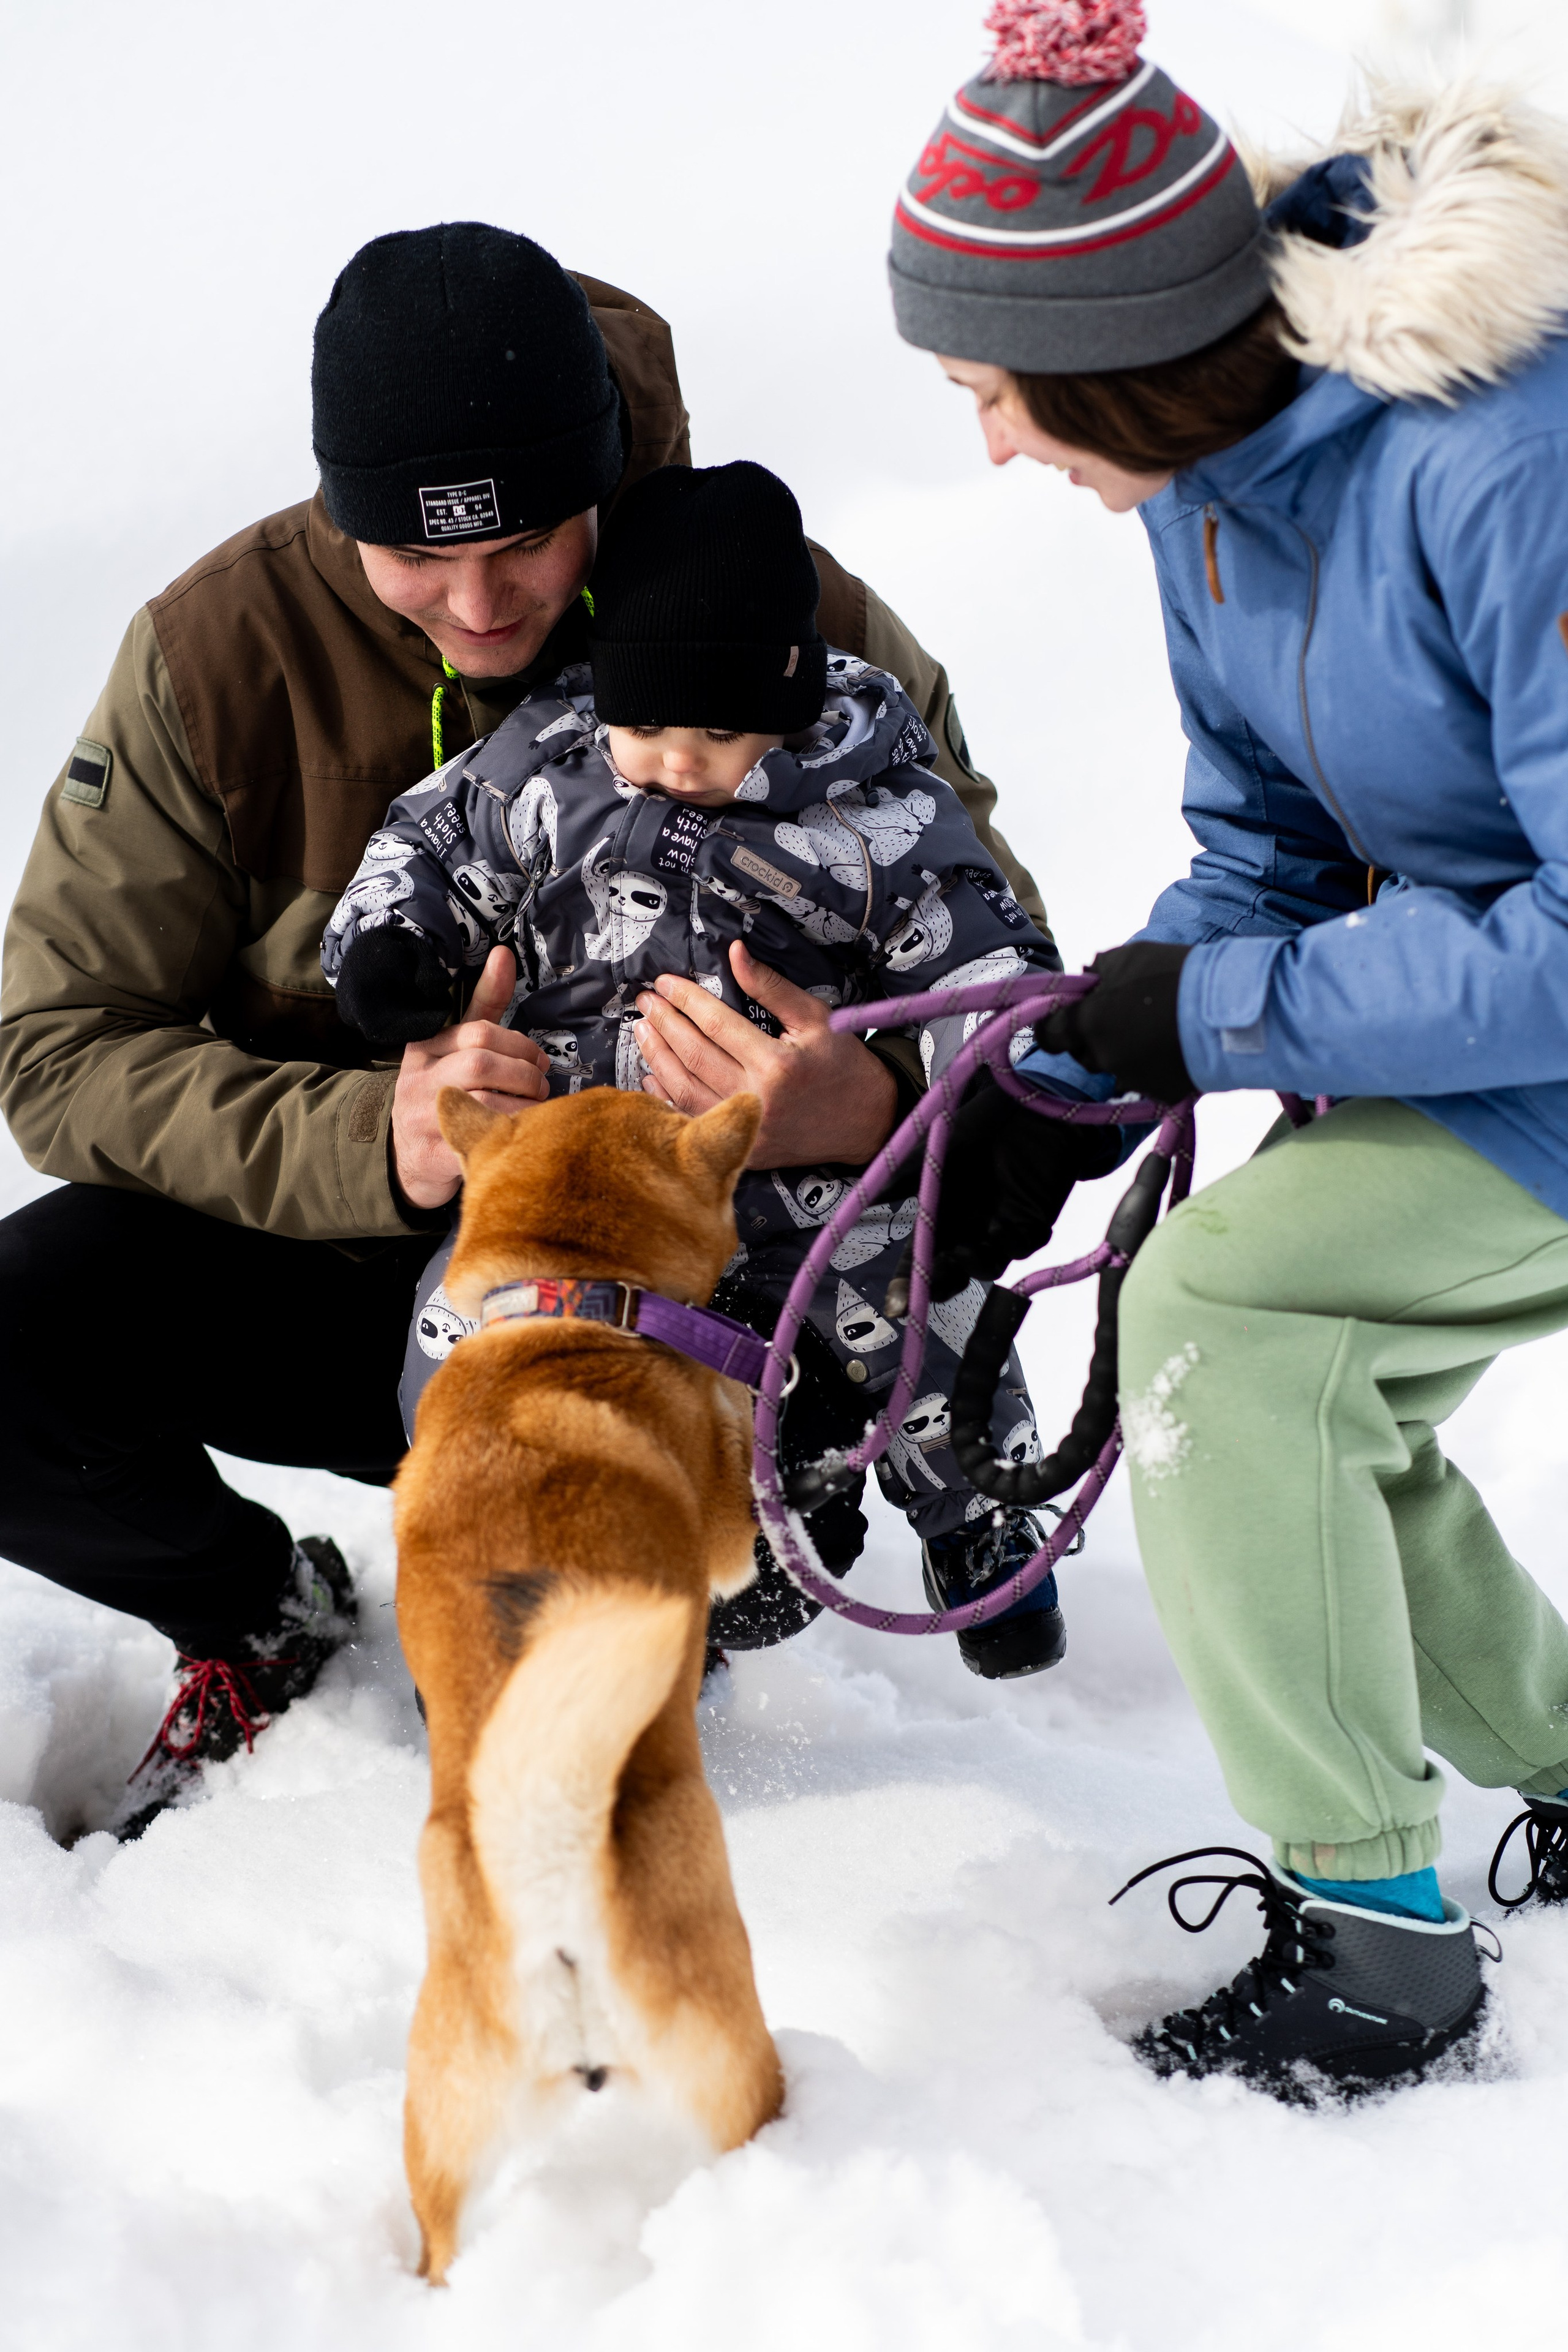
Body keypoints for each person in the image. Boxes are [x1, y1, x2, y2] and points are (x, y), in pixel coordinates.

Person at [0, 221, 1060, 1831]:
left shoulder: (779, 604)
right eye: (414, 556)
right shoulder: (220, 653)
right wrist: (373, 1138)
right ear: (340, 506)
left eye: (528, 543)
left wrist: (868, 1099)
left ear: (601, 482)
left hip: (718, 1281)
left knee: (527, 1719)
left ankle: (729, 1561)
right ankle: (255, 1615)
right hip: (379, 1257)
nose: (479, 603)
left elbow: (1008, 975)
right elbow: (57, 1043)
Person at [889, 0, 1568, 2095]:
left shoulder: (1504, 465)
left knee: (1220, 1318)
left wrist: (1215, 1018)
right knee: (1303, 1385)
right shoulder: (1207, 495)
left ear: (1106, 354)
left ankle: (1377, 1946)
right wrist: (1065, 1084)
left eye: (993, 395)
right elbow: (1265, 850)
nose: (992, 449)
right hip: (1492, 1033)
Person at [325, 456, 1110, 1675]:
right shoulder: (552, 765)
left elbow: (983, 959)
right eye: (645, 726)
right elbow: (427, 841)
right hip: (593, 1169)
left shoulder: (870, 808)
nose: (675, 762)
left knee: (923, 1308)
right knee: (473, 1321)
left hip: (802, 1182)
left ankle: (985, 1529)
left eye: (719, 733)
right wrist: (389, 948)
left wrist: (984, 1076)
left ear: (788, 694)